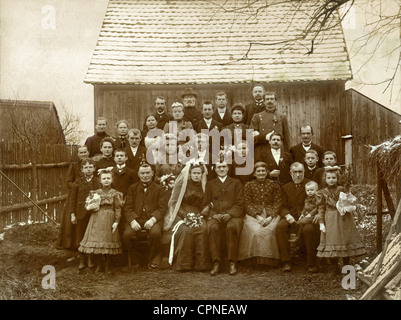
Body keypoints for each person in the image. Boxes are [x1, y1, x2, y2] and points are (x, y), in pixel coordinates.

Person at [316, 168, 367, 273]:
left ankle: (346, 266)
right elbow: (321, 208)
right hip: (330, 219)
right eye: (329, 178)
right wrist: (321, 223)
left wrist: (350, 206)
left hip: (344, 217)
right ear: (325, 179)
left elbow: (349, 202)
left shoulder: (342, 189)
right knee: (332, 241)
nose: (331, 180)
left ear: (337, 178)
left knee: (345, 239)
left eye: (334, 178)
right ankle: (334, 267)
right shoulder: (322, 193)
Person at [164, 163, 211, 271]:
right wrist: (185, 215)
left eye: (198, 173)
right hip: (181, 214)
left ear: (202, 174)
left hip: (198, 214)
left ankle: (201, 264)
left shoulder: (204, 186)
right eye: (194, 173)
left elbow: (206, 202)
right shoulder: (182, 185)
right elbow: (174, 203)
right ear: (189, 174)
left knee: (203, 229)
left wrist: (203, 212)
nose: (196, 175)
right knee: (186, 230)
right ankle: (185, 264)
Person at [275, 162, 320, 273]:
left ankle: (311, 262)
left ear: (304, 172)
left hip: (308, 216)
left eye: (300, 172)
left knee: (308, 230)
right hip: (292, 216)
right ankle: (286, 261)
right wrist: (287, 215)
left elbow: (319, 202)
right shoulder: (285, 187)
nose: (298, 175)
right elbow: (282, 205)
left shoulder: (311, 185)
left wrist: (313, 214)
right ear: (290, 173)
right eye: (295, 172)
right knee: (280, 227)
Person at [78, 170, 123, 273]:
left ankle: (108, 265)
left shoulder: (116, 194)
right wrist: (91, 206)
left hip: (110, 219)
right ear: (100, 181)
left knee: (108, 240)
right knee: (97, 241)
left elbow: (118, 208)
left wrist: (116, 221)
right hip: (97, 218)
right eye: (104, 178)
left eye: (108, 178)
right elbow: (87, 206)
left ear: (112, 180)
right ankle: (99, 263)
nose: (106, 180)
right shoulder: (95, 193)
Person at [204, 161, 245, 276]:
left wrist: (230, 214)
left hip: (233, 216)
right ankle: (216, 262)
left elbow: (240, 203)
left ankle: (232, 262)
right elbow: (206, 203)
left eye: (224, 167)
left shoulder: (236, 183)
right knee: (212, 228)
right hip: (215, 215)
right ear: (215, 169)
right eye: (219, 167)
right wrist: (213, 214)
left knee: (231, 227)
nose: (221, 169)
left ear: (228, 169)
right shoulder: (210, 184)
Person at [123, 163, 166, 269]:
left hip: (152, 219)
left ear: (152, 174)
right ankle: (136, 260)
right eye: (142, 173)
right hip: (136, 219)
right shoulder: (132, 188)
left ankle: (149, 258)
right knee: (127, 235)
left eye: (147, 173)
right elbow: (127, 207)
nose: (145, 175)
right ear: (138, 174)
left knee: (156, 233)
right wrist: (132, 221)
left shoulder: (159, 189)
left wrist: (152, 219)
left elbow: (162, 208)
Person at [238, 162, 282, 266]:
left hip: (271, 214)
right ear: (254, 173)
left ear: (267, 172)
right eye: (258, 171)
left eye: (263, 171)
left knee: (270, 230)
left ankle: (269, 261)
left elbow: (278, 202)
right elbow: (247, 203)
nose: (261, 173)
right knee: (255, 230)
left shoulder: (274, 184)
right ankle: (254, 260)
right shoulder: (249, 185)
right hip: (254, 215)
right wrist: (257, 216)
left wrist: (270, 217)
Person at [70, 158, 101, 269]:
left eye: (90, 167)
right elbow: (72, 199)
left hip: (93, 213)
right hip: (80, 213)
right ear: (82, 169)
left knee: (92, 235)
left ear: (94, 168)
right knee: (81, 236)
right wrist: (72, 214)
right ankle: (81, 259)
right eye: (86, 167)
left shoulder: (98, 181)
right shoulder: (77, 182)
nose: (88, 169)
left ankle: (91, 259)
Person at [56, 145, 89, 249]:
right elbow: (68, 181)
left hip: (88, 194)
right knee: (71, 217)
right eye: (81, 153)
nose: (83, 154)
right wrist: (75, 187)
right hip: (76, 194)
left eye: (85, 152)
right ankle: (71, 244)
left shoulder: (91, 164)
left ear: (88, 152)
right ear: (77, 155)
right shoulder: (74, 166)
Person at [250, 92, 291, 157]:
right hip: (262, 150)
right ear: (264, 101)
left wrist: (287, 153)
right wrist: (264, 137)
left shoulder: (282, 117)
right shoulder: (256, 117)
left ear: (275, 101)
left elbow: (286, 138)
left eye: (272, 99)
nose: (269, 101)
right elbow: (251, 137)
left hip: (278, 151)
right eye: (267, 99)